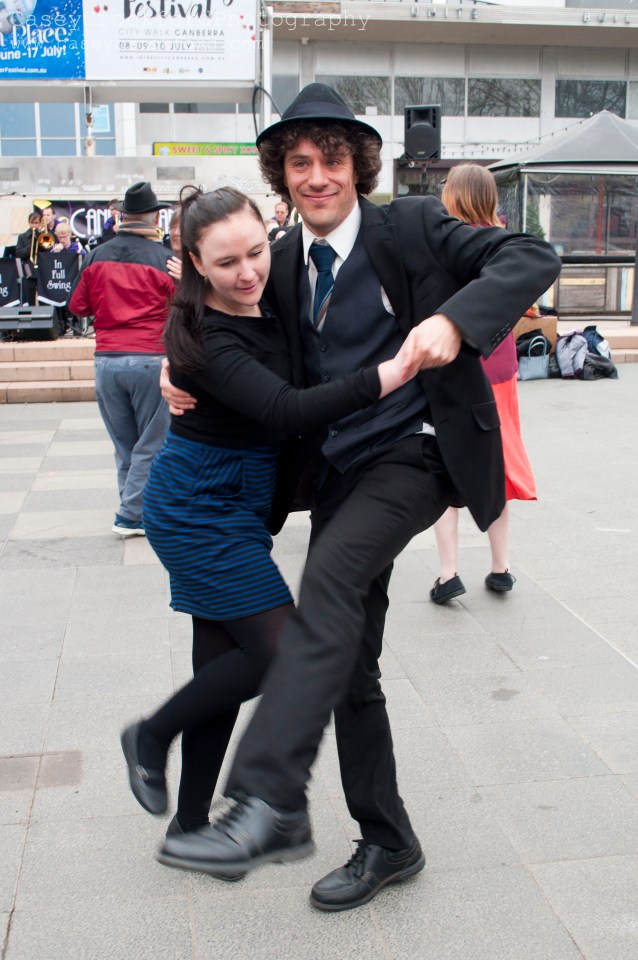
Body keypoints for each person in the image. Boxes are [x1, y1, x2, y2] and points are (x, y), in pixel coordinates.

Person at [159, 83, 561, 911]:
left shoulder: (411, 225)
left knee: (326, 585)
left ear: (359, 166)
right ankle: (389, 840)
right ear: (282, 173)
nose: (317, 176)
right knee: (348, 660)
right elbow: (213, 314)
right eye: (300, 162)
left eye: (332, 159)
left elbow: (529, 256)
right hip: (338, 471)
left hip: (415, 451)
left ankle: (269, 800)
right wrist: (176, 366)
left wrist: (455, 322)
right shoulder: (277, 258)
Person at [120, 185, 420, 844]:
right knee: (283, 651)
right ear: (195, 264)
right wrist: (392, 374)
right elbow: (285, 409)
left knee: (220, 670)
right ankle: (151, 734)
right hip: (197, 507)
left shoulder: (274, 281)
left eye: (256, 252)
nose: (247, 272)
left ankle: (189, 823)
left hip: (240, 503)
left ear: (269, 237)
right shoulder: (209, 334)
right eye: (226, 263)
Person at [430, 163, 538, 604]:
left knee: (447, 463)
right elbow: (527, 307)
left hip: (454, 368)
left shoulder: (445, 244)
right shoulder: (505, 243)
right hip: (500, 367)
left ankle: (448, 573)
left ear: (452, 196)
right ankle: (500, 568)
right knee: (498, 462)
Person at [69, 181, 175, 537]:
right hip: (150, 357)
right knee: (152, 443)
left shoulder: (96, 255)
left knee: (126, 445)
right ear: (154, 217)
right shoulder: (164, 259)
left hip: (107, 360)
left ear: (123, 216)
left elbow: (77, 306)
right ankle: (131, 515)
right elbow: (183, 306)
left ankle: (135, 509)